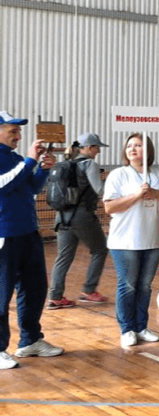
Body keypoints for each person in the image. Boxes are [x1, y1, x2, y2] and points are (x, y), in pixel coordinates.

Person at [0, 111, 62, 369]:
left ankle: (30, 340)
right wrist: (30, 161)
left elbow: (30, 188)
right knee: (1, 294)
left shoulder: (15, 159)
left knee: (35, 288)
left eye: (19, 131)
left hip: (28, 233)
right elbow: (3, 184)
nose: (18, 136)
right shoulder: (17, 160)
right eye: (13, 131)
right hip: (4, 236)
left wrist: (44, 170)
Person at [102, 133, 159, 347]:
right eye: (129, 146)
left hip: (152, 240)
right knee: (128, 285)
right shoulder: (118, 175)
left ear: (148, 150)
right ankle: (127, 329)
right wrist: (136, 195)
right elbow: (109, 207)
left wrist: (156, 194)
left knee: (145, 286)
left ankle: (141, 327)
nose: (132, 149)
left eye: (138, 145)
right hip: (124, 241)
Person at [47, 132, 110, 309]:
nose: (98, 151)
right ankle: (89, 290)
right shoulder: (89, 164)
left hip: (62, 216)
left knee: (63, 257)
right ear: (89, 147)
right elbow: (99, 189)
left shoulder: (67, 164)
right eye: (97, 147)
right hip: (82, 216)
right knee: (100, 250)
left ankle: (55, 297)